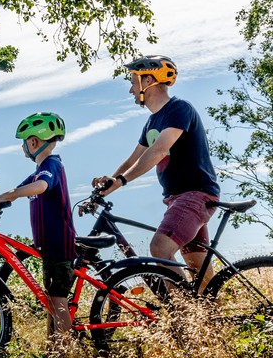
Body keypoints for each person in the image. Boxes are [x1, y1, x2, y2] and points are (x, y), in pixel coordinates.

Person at [91, 55, 221, 288]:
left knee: (160, 248)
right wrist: (104, 190)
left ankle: (182, 316)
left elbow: (159, 150)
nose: (131, 89)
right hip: (178, 199)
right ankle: (212, 319)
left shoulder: (179, 109)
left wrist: (120, 181)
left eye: (133, 81)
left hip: (194, 194)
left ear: (148, 80)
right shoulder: (152, 123)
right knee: (202, 277)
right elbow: (132, 160)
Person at [0, 112, 75, 358]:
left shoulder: (51, 165)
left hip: (59, 244)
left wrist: (6, 197)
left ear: (34, 142)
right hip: (49, 246)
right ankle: (53, 355)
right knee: (51, 299)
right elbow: (14, 190)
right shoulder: (40, 170)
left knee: (58, 301)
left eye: (24, 141)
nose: (22, 147)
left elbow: (41, 187)